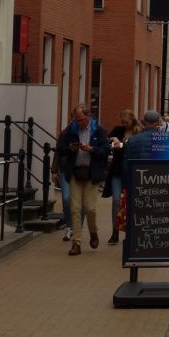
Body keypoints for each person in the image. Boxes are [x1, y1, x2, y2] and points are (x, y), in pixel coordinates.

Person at [55, 103, 110, 256]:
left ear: (88, 116)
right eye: (76, 120)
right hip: (74, 173)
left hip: (92, 174)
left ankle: (93, 232)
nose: (78, 123)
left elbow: (106, 150)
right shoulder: (70, 131)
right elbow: (60, 149)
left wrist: (92, 149)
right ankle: (76, 242)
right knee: (74, 209)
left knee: (90, 208)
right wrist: (70, 149)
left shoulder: (99, 130)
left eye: (81, 120)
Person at [105, 109, 140, 245]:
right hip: (117, 170)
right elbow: (107, 143)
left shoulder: (138, 131)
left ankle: (131, 231)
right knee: (116, 201)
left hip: (132, 171)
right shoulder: (118, 130)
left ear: (132, 120)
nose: (124, 124)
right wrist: (112, 140)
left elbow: (136, 147)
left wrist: (121, 144)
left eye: (126, 122)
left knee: (131, 202)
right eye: (122, 122)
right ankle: (114, 232)